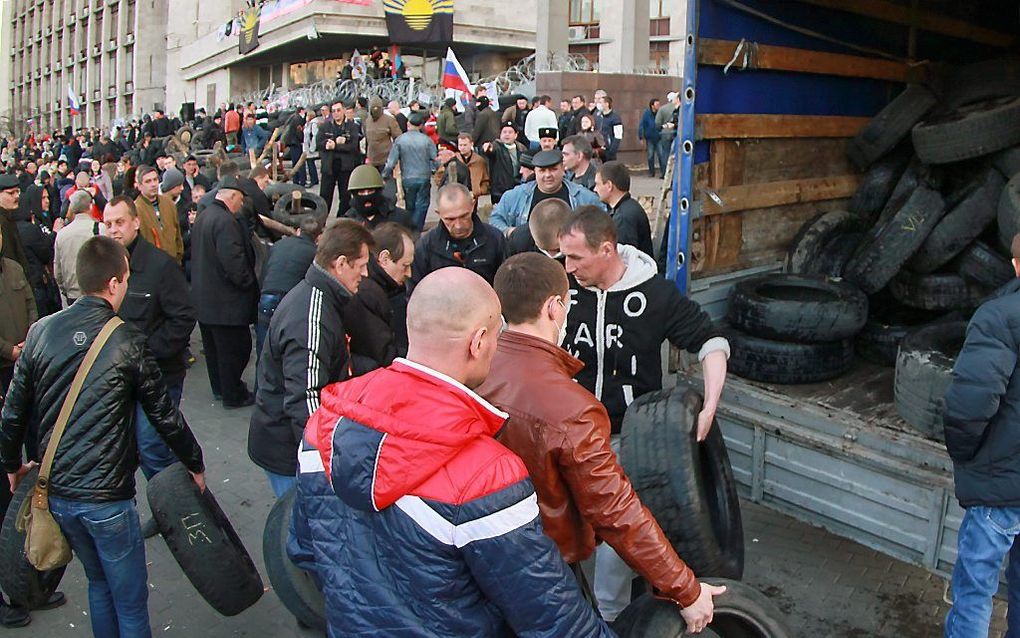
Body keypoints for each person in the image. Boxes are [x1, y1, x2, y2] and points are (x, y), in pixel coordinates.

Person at [298, 266, 614, 637]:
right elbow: (553, 619)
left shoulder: (322, 427)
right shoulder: (487, 475)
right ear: (478, 342)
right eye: (498, 336)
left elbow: (306, 549)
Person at [477, 253, 726, 633]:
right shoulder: (573, 407)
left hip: (478, 561)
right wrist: (686, 591)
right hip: (544, 572)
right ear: (554, 307)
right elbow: (616, 513)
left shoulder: (474, 368)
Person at [0, 235, 205, 638]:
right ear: (114, 283)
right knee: (129, 600)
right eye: (126, 279)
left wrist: (11, 465)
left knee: (98, 582)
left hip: (57, 492)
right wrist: (194, 464)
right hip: (107, 497)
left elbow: (13, 412)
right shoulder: (126, 340)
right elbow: (165, 416)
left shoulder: (42, 331)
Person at [557, 209, 730, 620]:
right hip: (567, 434)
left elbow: (711, 341)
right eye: (563, 257)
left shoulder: (656, 295)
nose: (567, 267)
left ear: (606, 249)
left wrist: (709, 404)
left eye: (576, 258)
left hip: (626, 440)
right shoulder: (559, 287)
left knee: (618, 530)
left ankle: (612, 618)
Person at [249, 220, 372, 499]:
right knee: (298, 523)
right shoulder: (311, 316)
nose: (365, 273)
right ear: (340, 264)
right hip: (286, 450)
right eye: (361, 265)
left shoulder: (319, 298)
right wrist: (322, 464)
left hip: (282, 440)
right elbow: (305, 400)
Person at [103, 196, 196, 535]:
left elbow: (183, 317)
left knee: (153, 445)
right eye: (109, 223)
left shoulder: (160, 266)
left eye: (120, 222)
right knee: (143, 446)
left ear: (136, 222)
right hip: (123, 379)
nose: (114, 229)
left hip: (160, 376)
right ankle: (169, 501)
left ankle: (179, 507)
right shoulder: (108, 271)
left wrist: (146, 355)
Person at [943, 233, 1020, 636]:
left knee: (975, 591)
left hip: (999, 488)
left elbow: (968, 407)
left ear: (1016, 265)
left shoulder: (999, 317)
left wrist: (967, 456)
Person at [191, 176, 258, 408]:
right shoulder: (226, 222)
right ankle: (233, 394)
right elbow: (234, 263)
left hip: (205, 300)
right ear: (231, 196)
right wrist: (248, 283)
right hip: (226, 303)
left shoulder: (204, 217)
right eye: (240, 199)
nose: (241, 205)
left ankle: (220, 388)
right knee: (234, 350)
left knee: (214, 351)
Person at [345, 222, 414, 374]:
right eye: (405, 265)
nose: (409, 273)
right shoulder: (367, 294)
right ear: (384, 258)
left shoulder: (379, 289)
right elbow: (383, 354)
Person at [409, 183, 505, 292]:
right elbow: (415, 292)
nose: (458, 225)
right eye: (450, 219)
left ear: (473, 205)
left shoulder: (495, 239)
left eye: (464, 216)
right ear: (438, 213)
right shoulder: (426, 246)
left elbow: (505, 285)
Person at [255, 215, 322, 361]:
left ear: (298, 231)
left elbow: (264, 269)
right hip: (290, 302)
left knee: (264, 350)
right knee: (288, 351)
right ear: (319, 237)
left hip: (267, 295)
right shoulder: (315, 254)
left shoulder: (279, 245)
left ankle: (261, 381)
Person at [489, 148, 601, 235]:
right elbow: (495, 220)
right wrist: (511, 233)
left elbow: (602, 223)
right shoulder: (514, 196)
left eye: (553, 169)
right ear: (535, 172)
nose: (548, 175)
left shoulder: (584, 197)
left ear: (563, 169)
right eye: (542, 171)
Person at [381, 111, 437, 231]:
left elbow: (391, 162)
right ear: (421, 125)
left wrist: (385, 175)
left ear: (408, 124)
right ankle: (417, 227)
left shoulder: (401, 140)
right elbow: (435, 159)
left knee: (410, 205)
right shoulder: (427, 140)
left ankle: (411, 227)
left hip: (408, 177)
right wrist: (434, 170)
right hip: (424, 176)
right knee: (422, 204)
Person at [54, 191, 107, 306]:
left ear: (71, 208)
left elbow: (58, 271)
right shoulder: (101, 229)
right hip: (98, 293)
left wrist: (65, 290)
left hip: (73, 295)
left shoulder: (62, 235)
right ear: (91, 206)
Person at [0, 226, 35, 394]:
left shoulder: (14, 268)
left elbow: (30, 303)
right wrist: (9, 351)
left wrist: (31, 336)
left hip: (26, 356)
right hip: (4, 366)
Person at [595, 161, 654, 259]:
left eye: (597, 184)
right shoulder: (627, 207)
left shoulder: (623, 218)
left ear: (609, 186)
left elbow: (623, 258)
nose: (595, 189)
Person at [317, 100, 364, 215]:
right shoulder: (325, 126)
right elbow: (319, 143)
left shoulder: (351, 127)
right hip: (329, 167)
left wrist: (336, 146)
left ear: (343, 111)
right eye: (333, 111)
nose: (336, 113)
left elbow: (353, 147)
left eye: (338, 110)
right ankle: (321, 223)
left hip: (345, 167)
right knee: (324, 196)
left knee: (345, 197)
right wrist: (328, 144)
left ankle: (342, 220)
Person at [134, 165, 184, 264]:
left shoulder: (169, 203)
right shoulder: (135, 209)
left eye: (155, 180)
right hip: (151, 266)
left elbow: (177, 232)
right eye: (148, 181)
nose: (153, 184)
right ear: (139, 186)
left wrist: (178, 256)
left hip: (173, 263)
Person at [342, 164, 415, 231]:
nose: (366, 195)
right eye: (361, 192)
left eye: (370, 191)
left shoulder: (400, 218)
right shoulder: (347, 224)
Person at [506, 198, 571, 259]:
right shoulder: (518, 241)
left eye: (557, 250)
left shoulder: (580, 241)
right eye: (544, 249)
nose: (551, 256)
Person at [481, 122, 528, 205]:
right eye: (504, 132)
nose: (507, 135)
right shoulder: (496, 147)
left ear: (515, 135)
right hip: (500, 191)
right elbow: (490, 151)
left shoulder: (522, 148)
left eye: (510, 132)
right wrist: (487, 148)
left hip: (517, 188)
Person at [639, 98, 663, 178]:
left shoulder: (660, 112)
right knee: (650, 156)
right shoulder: (647, 114)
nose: (658, 106)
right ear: (652, 106)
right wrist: (641, 137)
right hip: (650, 138)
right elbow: (642, 125)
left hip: (659, 137)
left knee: (661, 155)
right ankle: (651, 172)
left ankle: (663, 173)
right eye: (657, 105)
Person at [656, 91, 680, 170]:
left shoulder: (662, 109)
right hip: (676, 134)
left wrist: (662, 128)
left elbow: (657, 122)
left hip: (665, 134)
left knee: (665, 153)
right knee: (675, 153)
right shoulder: (677, 108)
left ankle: (665, 172)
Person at [597, 96, 623, 162]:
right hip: (599, 148)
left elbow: (618, 136)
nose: (598, 104)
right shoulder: (599, 116)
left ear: (607, 104)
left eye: (601, 102)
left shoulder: (615, 118)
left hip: (609, 150)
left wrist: (612, 150)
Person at [302, 109, 320, 188]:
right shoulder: (307, 124)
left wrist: (312, 148)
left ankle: (314, 180)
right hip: (306, 147)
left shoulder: (313, 124)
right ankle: (314, 179)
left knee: (311, 164)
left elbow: (314, 136)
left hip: (310, 148)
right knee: (309, 164)